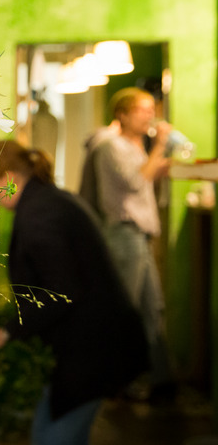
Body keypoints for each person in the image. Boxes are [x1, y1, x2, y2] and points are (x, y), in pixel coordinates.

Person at [0, 140, 148, 445]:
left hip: (92, 348)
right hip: (95, 345)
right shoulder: (48, 201)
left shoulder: (40, 213)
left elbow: (61, 290)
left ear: (9, 177)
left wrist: (8, 331)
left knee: (51, 438)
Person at [87, 87, 174, 398]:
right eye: (142, 109)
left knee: (153, 308)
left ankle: (160, 382)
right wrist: (161, 145)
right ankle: (117, 383)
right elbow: (137, 181)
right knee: (127, 311)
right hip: (124, 235)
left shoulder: (135, 147)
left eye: (152, 109)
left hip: (139, 236)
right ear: (122, 114)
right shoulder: (111, 146)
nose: (150, 115)